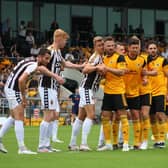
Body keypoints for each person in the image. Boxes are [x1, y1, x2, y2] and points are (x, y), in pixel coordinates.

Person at [0, 48, 64, 154]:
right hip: (14, 89)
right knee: (20, 116)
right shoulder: (33, 65)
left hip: (9, 87)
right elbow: (21, 80)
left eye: (49, 59)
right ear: (39, 57)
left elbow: (38, 71)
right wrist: (24, 98)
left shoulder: (29, 60)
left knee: (13, 116)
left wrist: (54, 75)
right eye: (46, 59)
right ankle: (22, 148)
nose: (48, 61)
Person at [38, 29, 85, 152]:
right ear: (59, 38)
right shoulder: (50, 51)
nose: (66, 42)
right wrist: (56, 76)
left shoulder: (58, 51)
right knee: (48, 116)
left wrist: (80, 66)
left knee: (53, 115)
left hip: (53, 87)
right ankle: (42, 146)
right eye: (65, 40)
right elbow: (40, 68)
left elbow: (65, 63)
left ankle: (47, 145)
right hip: (47, 86)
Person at [68, 36, 106, 151]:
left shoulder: (100, 57)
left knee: (80, 117)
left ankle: (72, 143)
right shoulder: (96, 57)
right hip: (87, 88)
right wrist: (96, 67)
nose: (102, 47)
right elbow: (85, 70)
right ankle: (83, 144)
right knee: (91, 115)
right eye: (99, 45)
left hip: (88, 89)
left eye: (102, 45)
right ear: (95, 46)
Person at [97, 37, 129, 152]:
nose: (110, 48)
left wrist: (107, 68)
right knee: (105, 117)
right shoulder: (103, 58)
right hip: (107, 92)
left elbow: (121, 72)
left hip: (118, 91)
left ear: (114, 47)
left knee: (123, 117)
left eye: (112, 46)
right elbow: (105, 74)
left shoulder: (119, 57)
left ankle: (125, 143)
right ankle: (108, 143)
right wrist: (102, 72)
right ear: (104, 47)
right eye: (108, 46)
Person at [146, 41, 168, 148]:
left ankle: (162, 140)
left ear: (157, 49)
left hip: (160, 91)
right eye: (150, 48)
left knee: (160, 114)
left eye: (154, 48)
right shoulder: (145, 61)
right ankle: (157, 140)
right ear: (147, 50)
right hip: (149, 92)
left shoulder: (163, 60)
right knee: (152, 117)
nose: (153, 50)